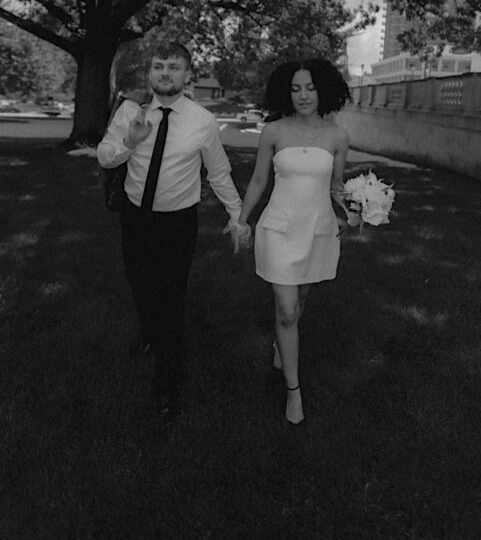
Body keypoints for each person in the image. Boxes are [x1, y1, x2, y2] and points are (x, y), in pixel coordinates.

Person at [98, 42, 248, 430]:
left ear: (187, 75)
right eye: (159, 66)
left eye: (174, 67)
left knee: (169, 299)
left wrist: (237, 215)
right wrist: (131, 140)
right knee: (139, 285)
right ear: (150, 73)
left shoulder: (202, 121)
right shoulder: (131, 110)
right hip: (135, 216)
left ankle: (167, 382)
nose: (165, 73)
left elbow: (218, 173)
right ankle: (148, 330)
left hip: (177, 224)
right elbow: (104, 156)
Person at [236, 58, 351, 425]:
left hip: (317, 230)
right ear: (286, 93)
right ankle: (293, 392)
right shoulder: (273, 131)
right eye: (296, 88)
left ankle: (280, 345)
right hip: (279, 229)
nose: (303, 95)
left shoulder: (337, 137)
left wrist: (351, 210)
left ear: (324, 90)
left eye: (311, 87)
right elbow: (258, 181)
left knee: (299, 302)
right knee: (286, 310)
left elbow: (336, 187)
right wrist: (242, 220)